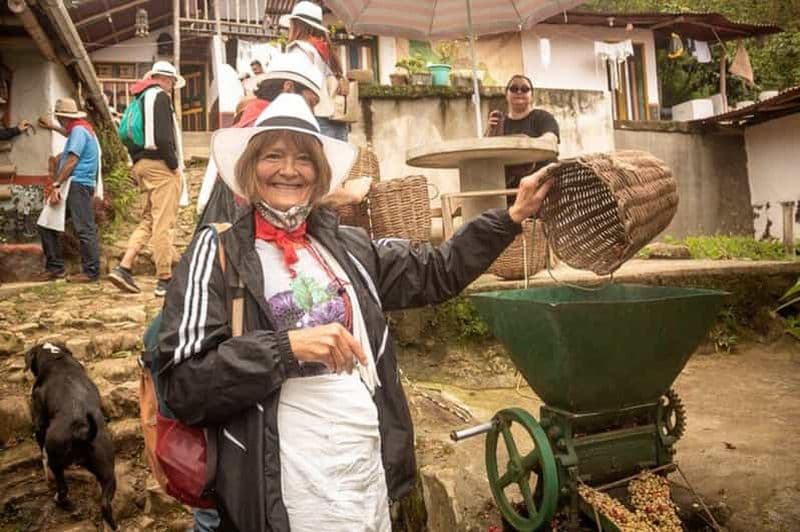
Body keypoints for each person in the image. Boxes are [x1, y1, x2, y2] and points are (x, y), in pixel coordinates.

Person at [158, 93, 552, 532]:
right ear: (251, 169)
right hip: (287, 493)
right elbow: (183, 383)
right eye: (273, 155)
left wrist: (512, 216)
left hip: (364, 481)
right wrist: (286, 349)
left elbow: (436, 271)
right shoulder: (219, 252)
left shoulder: (348, 247)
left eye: (304, 159)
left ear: (319, 174)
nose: (289, 169)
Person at [196, 53, 325, 231]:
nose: (311, 111)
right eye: (310, 103)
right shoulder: (265, 126)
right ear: (288, 88)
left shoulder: (250, 113)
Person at [108, 61, 187, 297]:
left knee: (149, 221)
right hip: (161, 166)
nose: (172, 86)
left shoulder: (140, 99)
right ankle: (164, 279)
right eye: (172, 82)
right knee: (165, 223)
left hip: (141, 164)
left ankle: (124, 266)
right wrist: (173, 166)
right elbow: (163, 138)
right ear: (165, 79)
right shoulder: (160, 96)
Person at [32, 98, 101, 283]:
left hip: (76, 184)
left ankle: (91, 272)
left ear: (63, 117)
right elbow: (68, 134)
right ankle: (56, 268)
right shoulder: (80, 128)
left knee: (84, 228)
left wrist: (56, 184)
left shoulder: (78, 131)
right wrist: (53, 127)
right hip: (77, 184)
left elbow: (72, 160)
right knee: (47, 224)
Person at [281, 1, 350, 141]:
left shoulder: (300, 49)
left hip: (316, 117)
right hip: (337, 118)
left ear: (297, 25)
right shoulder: (327, 49)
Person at [486, 74, 559, 203]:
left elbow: (551, 139)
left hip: (539, 186)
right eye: (514, 88)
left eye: (524, 89)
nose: (519, 92)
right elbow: (487, 155)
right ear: (507, 95)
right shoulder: (500, 122)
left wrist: (523, 141)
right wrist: (490, 131)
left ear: (532, 95)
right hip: (507, 190)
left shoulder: (542, 117)